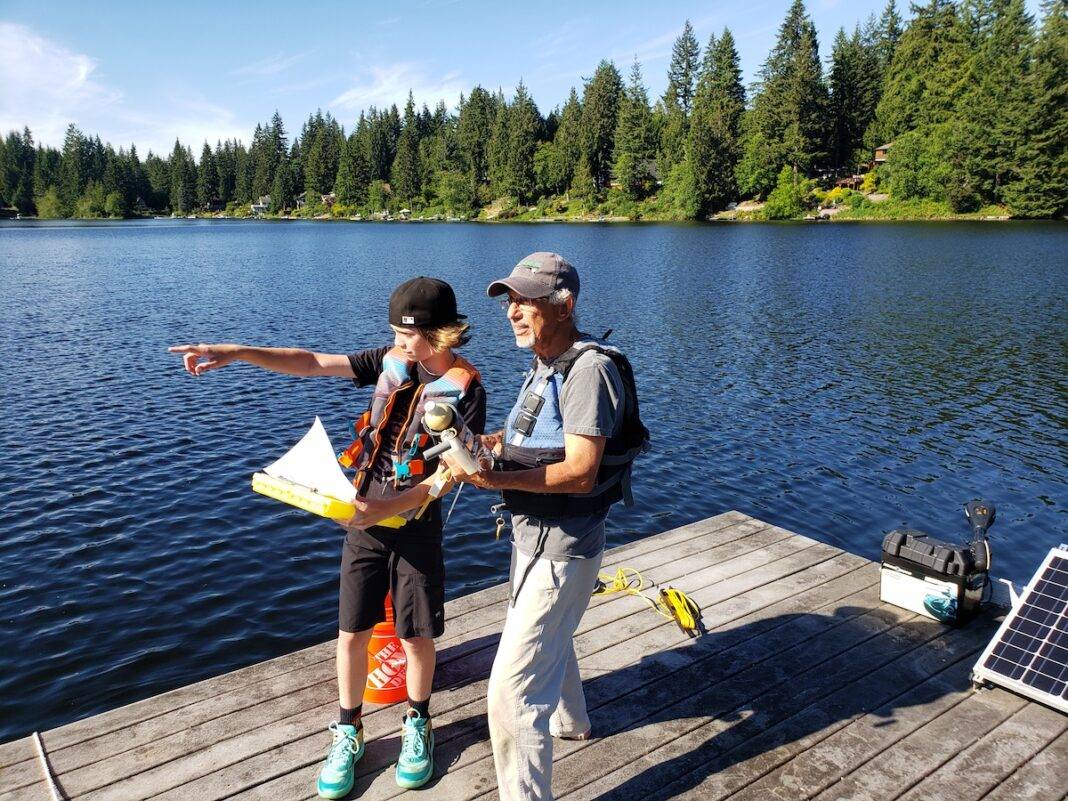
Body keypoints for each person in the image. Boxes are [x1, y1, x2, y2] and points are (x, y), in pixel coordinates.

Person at [169, 276, 487, 798]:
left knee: (416, 634)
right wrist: (234, 351)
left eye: (406, 335)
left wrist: (391, 506)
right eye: (395, 334)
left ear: (438, 332)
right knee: (351, 631)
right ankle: (348, 729)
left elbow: (449, 475)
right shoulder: (390, 362)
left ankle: (418, 723)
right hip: (361, 516)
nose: (398, 344)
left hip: (415, 525)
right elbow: (312, 361)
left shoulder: (466, 387)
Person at [442, 253, 647, 801]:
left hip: (562, 548)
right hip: (532, 538)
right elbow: (532, 443)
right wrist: (483, 447)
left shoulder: (589, 371)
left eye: (524, 301)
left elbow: (580, 473)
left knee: (510, 694)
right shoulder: (544, 362)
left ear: (564, 304)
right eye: (509, 301)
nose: (512, 311)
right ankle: (571, 721)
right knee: (546, 640)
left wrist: (490, 481)